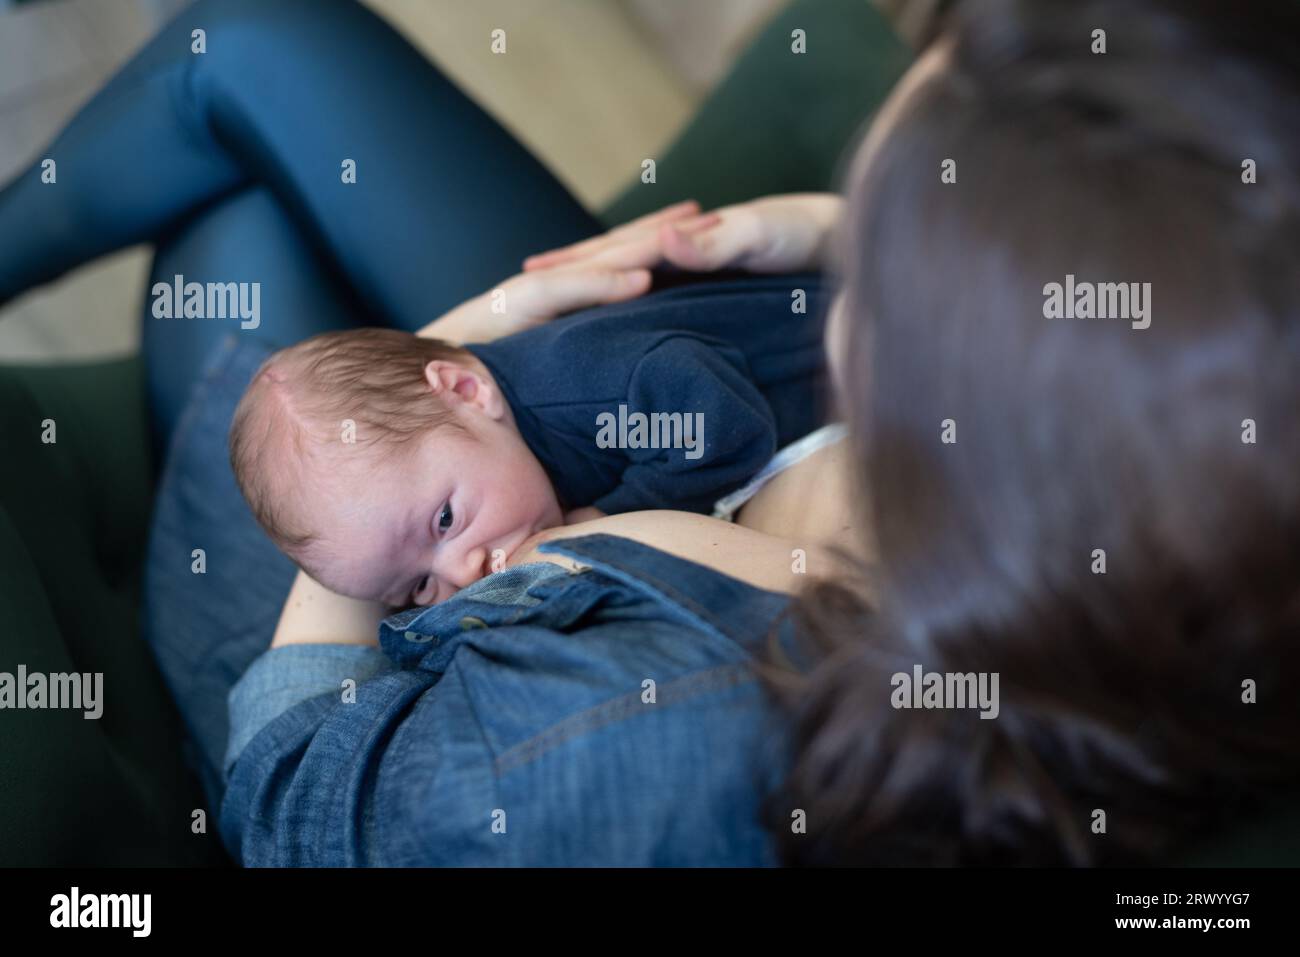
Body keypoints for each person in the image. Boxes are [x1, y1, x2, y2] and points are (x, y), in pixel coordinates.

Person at [227, 229, 834, 607]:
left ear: (467, 390)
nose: (461, 571)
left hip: (833, 358)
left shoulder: (581, 385)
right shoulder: (486, 454)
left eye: (445, 519)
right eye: (416, 588)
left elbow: (726, 425)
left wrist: (606, 516)